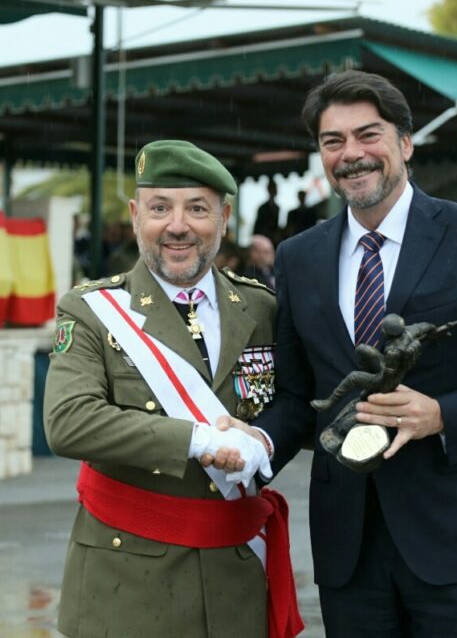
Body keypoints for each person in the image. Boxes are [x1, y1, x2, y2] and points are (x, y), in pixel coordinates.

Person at [229, 70, 457, 636]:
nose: (351, 154)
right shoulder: (299, 257)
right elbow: (295, 394)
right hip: (349, 549)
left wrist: (441, 414)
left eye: (369, 135)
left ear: (406, 143)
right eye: (332, 142)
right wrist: (250, 445)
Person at [43, 139, 301, 638]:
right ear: (137, 215)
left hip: (237, 578)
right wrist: (198, 440)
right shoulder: (91, 310)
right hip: (128, 587)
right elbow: (67, 422)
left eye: (197, 209)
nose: (177, 226)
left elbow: (296, 404)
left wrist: (263, 439)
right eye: (160, 208)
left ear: (225, 218)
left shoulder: (262, 308)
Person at [253, 178, 282, 246]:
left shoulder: (277, 207)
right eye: (274, 188)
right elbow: (259, 226)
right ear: (269, 190)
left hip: (273, 240)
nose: (275, 190)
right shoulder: (263, 208)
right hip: (264, 238)